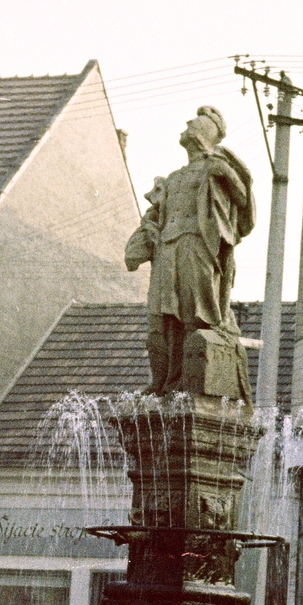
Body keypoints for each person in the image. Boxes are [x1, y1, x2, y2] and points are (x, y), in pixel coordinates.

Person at [124, 105, 256, 399]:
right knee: (160, 320)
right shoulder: (172, 178)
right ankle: (161, 383)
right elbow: (156, 215)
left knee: (195, 314)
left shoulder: (216, 166)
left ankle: (189, 382)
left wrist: (229, 176)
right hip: (166, 249)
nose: (186, 123)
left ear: (203, 132)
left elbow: (244, 202)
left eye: (193, 122)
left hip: (196, 247)